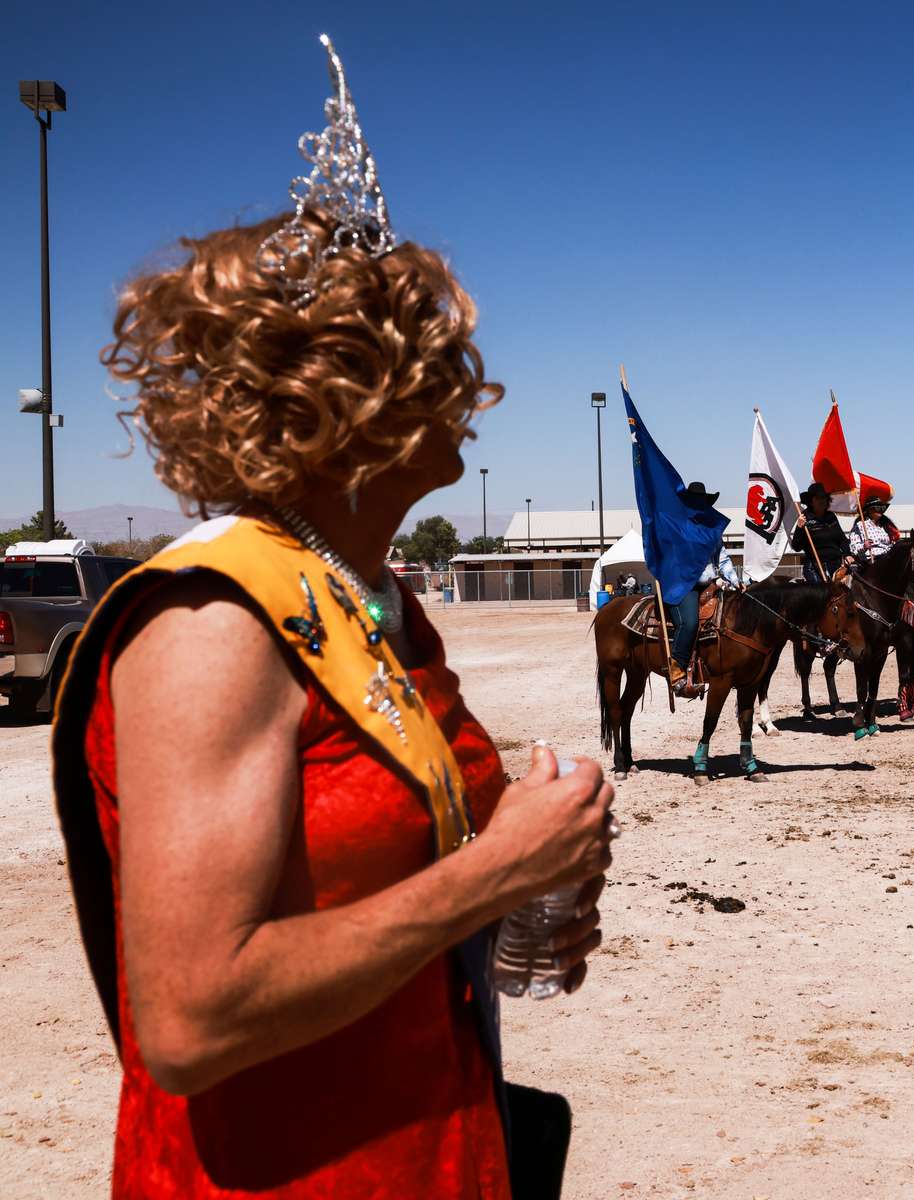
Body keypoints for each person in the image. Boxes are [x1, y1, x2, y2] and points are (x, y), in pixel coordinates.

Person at [51, 37, 613, 1197]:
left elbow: (374, 894)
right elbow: (193, 1018)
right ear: (351, 395)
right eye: (438, 361)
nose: (469, 385)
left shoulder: (376, 603)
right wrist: (493, 876)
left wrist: (516, 901)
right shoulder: (214, 620)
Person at [667, 482, 741, 697]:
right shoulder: (678, 528)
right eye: (695, 502)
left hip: (711, 584)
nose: (699, 506)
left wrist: (736, 581)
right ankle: (677, 670)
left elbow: (723, 558)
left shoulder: (711, 530)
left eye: (702, 502)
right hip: (685, 585)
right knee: (689, 623)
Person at [791, 481, 850, 583]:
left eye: (824, 498)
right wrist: (799, 527)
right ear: (811, 501)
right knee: (821, 594)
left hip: (835, 564)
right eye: (817, 498)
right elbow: (796, 547)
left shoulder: (831, 517)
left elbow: (842, 540)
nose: (821, 501)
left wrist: (848, 554)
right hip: (815, 566)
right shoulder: (805, 518)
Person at [848, 495, 901, 566]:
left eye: (882, 508)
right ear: (869, 510)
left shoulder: (885, 526)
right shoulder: (859, 526)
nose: (881, 511)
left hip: (887, 558)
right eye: (878, 508)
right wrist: (864, 546)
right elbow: (853, 548)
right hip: (870, 561)